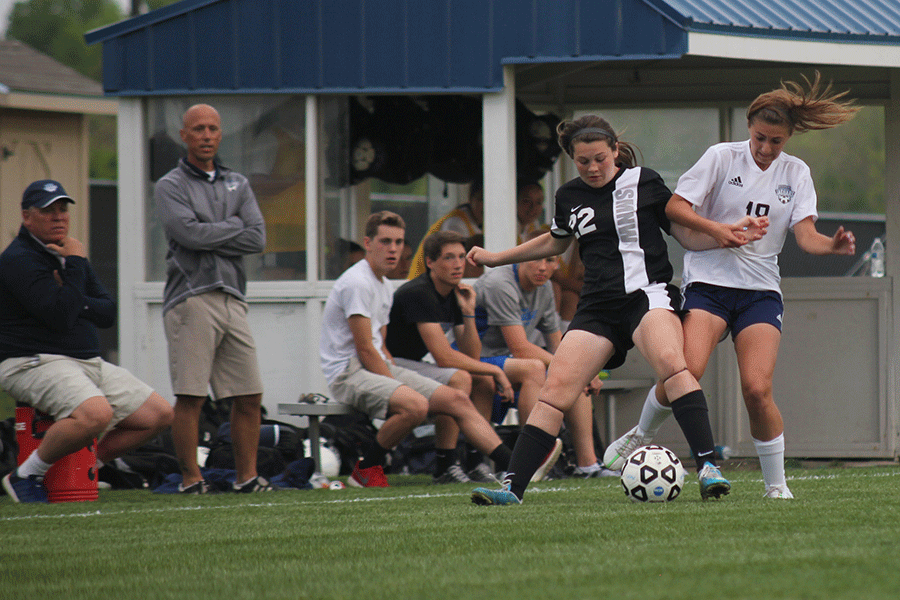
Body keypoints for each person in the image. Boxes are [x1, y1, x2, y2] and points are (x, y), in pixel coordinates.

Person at [468, 115, 766, 506]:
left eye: (599, 159)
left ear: (614, 152)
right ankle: (512, 489)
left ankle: (709, 467)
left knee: (672, 364)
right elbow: (556, 243)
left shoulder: (644, 182)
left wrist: (721, 234)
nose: (592, 168)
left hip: (646, 294)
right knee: (555, 390)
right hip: (598, 307)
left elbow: (683, 232)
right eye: (583, 161)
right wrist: (497, 257)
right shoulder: (569, 196)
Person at [604, 73, 858, 499]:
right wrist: (720, 231)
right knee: (687, 371)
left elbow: (806, 235)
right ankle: (640, 435)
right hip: (710, 283)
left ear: (787, 139)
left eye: (775, 142)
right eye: (760, 138)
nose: (765, 149)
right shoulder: (721, 157)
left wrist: (831, 245)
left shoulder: (796, 172)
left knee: (757, 389)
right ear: (748, 129)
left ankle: (776, 487)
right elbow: (675, 207)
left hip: (760, 292)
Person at [321, 212, 552, 488]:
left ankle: (516, 468)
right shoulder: (360, 283)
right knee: (416, 404)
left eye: (398, 242)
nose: (393, 249)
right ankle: (366, 470)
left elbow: (384, 345)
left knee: (458, 397)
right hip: (349, 370)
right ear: (368, 243)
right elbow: (366, 349)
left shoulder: (383, 283)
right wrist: (398, 386)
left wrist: (467, 313)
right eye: (385, 242)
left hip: (379, 363)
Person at [0, 180, 174, 503]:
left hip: (85, 361)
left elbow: (107, 311)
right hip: (32, 360)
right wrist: (76, 271)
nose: (59, 217)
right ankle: (26, 474)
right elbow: (61, 316)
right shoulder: (19, 259)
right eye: (47, 210)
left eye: (63, 209)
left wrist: (72, 291)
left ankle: (89, 466)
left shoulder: (69, 251)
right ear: (26, 217)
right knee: (96, 413)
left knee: (158, 414)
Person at [155, 103, 271, 494]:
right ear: (184, 135)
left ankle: (247, 478)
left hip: (233, 297)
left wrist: (214, 230)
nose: (206, 135)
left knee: (250, 395)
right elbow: (187, 235)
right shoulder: (170, 185)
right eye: (198, 129)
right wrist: (233, 226)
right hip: (191, 298)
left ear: (221, 135)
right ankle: (191, 479)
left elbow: (257, 237)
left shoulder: (238, 181)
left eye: (213, 129)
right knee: (191, 396)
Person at [385, 230, 528, 483]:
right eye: (449, 258)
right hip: (391, 365)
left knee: (480, 380)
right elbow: (444, 358)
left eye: (462, 257)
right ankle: (445, 464)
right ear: (430, 262)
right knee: (459, 378)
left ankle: (475, 463)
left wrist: (469, 312)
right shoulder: (419, 292)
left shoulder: (454, 294)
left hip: (417, 364)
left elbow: (471, 353)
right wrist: (495, 370)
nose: (458, 264)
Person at [473, 230, 612, 479]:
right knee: (536, 367)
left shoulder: (546, 288)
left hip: (512, 362)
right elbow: (521, 348)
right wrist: (576, 367)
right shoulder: (500, 283)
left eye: (550, 260)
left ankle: (588, 465)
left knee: (574, 377)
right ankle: (533, 461)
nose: (543, 267)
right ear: (522, 257)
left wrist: (583, 371)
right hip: (479, 359)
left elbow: (556, 342)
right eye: (537, 259)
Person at [408, 181, 484, 279]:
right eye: (480, 199)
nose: (484, 205)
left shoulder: (481, 223)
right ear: (470, 198)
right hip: (423, 282)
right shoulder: (456, 223)